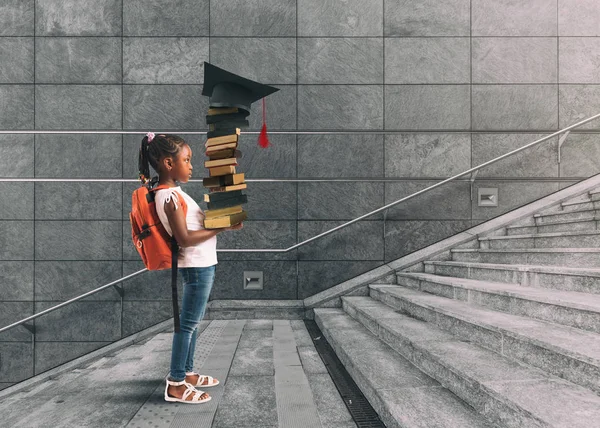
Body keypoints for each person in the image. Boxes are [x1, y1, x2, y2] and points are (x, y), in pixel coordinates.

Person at [138, 132, 243, 404]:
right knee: (187, 326)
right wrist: (220, 226)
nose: (191, 166)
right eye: (186, 159)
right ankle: (175, 383)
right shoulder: (169, 197)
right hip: (196, 265)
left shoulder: (173, 193)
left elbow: (195, 227)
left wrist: (222, 218)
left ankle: (187, 372)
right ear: (167, 164)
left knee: (192, 324)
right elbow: (183, 239)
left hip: (201, 263)